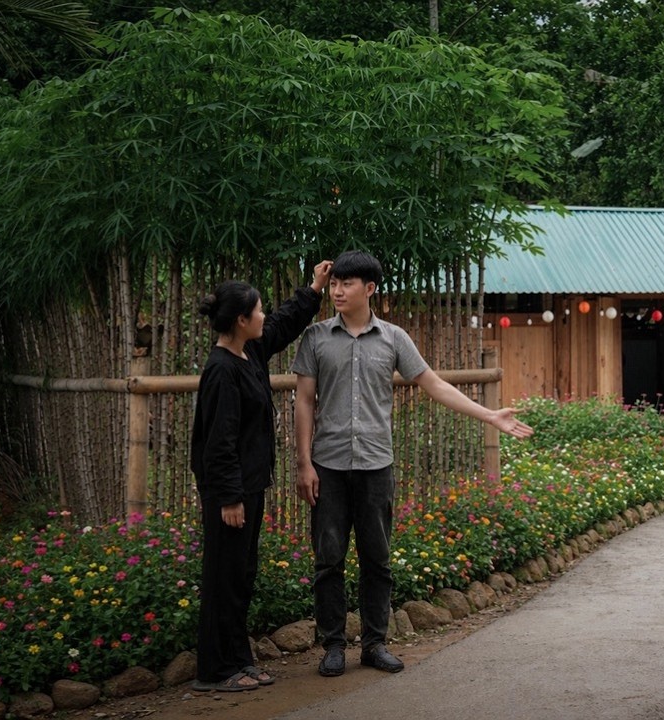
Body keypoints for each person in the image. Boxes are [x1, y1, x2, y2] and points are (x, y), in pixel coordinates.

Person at [292, 250, 533, 677]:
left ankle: (374, 644)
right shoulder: (315, 338)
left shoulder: (393, 339)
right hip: (327, 465)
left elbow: (434, 385)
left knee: (377, 559)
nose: (338, 291)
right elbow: (304, 402)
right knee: (328, 559)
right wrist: (303, 463)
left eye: (346, 284)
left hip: (375, 464)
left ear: (369, 289)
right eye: (333, 284)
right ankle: (332, 646)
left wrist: (489, 415)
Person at [189, 261, 333, 692]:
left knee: (241, 575)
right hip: (230, 494)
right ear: (240, 320)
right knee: (224, 578)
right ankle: (215, 671)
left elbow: (285, 323)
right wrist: (230, 497)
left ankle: (238, 661)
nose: (264, 316)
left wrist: (314, 289)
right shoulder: (221, 370)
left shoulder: (248, 352)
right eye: (258, 311)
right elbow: (218, 442)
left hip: (249, 486)